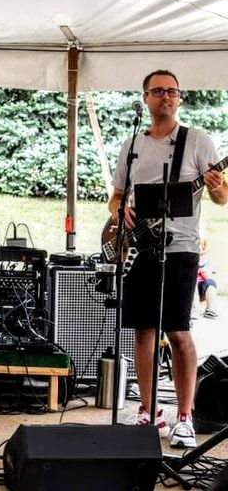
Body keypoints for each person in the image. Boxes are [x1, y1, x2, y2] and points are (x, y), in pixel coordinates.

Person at [109, 69, 227, 448]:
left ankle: (184, 416)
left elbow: (222, 198)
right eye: (158, 90)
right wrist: (118, 212)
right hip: (139, 247)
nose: (166, 96)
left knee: (178, 331)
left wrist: (218, 185)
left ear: (179, 98)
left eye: (172, 91)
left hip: (180, 247)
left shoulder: (197, 141)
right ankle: (147, 411)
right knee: (143, 330)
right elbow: (117, 195)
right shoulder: (132, 145)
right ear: (145, 97)